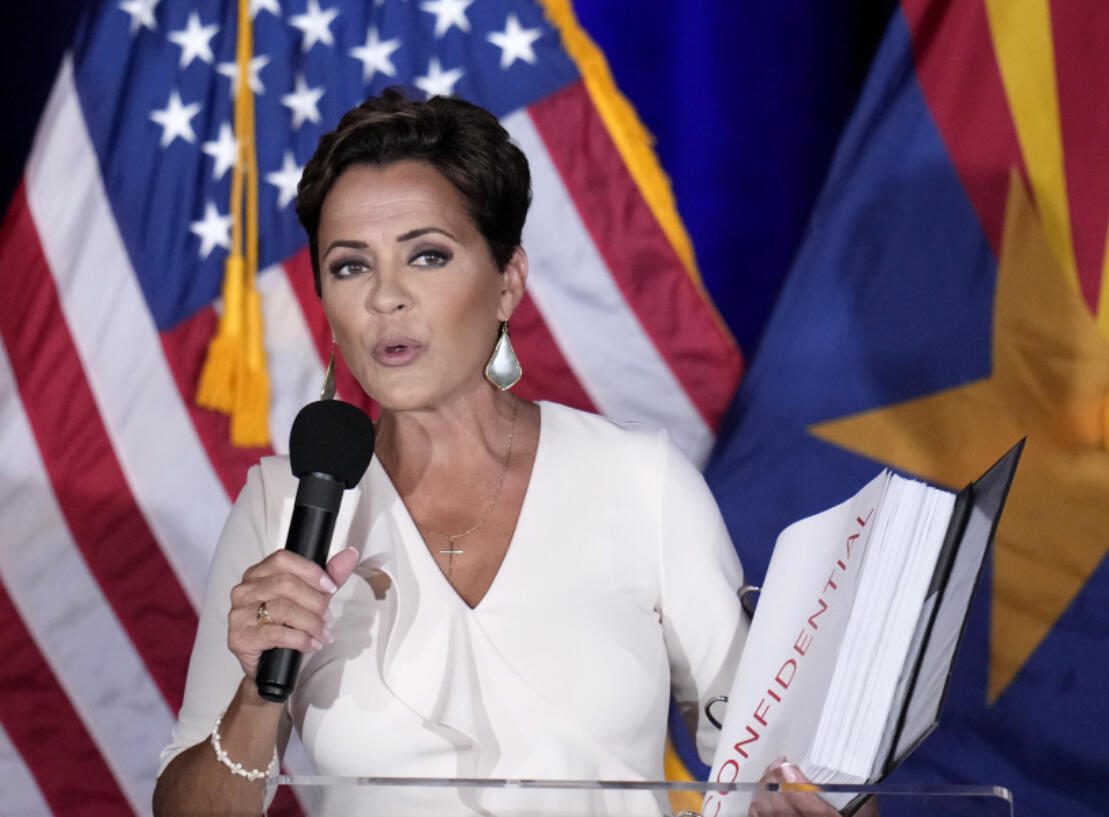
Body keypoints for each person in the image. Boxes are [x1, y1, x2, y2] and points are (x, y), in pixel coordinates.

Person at [151, 87, 756, 816]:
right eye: (350, 266)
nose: (385, 298)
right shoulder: (284, 506)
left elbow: (779, 772)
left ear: (507, 282)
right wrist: (256, 691)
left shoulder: (639, 479)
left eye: (427, 256)